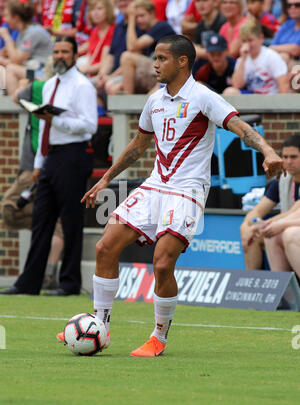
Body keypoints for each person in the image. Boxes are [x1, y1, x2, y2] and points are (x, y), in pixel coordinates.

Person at [56, 34, 284, 356]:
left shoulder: (203, 97)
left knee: (162, 264)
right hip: (154, 185)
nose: (155, 64)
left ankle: (159, 337)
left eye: (162, 58)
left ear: (182, 62)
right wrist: (105, 178)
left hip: (187, 190)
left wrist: (269, 150)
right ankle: (100, 324)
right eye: (155, 58)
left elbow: (240, 127)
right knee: (105, 246)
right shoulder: (155, 100)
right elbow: (138, 146)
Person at [0, 36, 98, 297]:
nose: (60, 56)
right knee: (41, 219)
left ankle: (69, 282)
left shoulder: (82, 86)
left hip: (74, 155)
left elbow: (90, 125)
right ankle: (28, 282)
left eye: (65, 52)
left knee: (70, 220)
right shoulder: (49, 85)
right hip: (51, 156)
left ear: (75, 55)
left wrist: (58, 121)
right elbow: (42, 125)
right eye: (56, 52)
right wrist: (38, 163)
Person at [240, 134, 300, 270]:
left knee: (280, 233)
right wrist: (245, 226)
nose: (288, 161)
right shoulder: (282, 181)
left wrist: (267, 224)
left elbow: (292, 214)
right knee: (253, 235)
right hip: (287, 226)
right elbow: (257, 211)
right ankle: (254, 284)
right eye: (285, 157)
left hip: (291, 228)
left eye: (293, 157)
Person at [117, 0, 175, 94]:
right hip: (154, 72)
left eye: (142, 16)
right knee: (115, 87)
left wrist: (131, 19)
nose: (139, 20)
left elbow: (131, 47)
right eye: (136, 17)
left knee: (127, 57)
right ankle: (127, 103)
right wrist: (111, 77)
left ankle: (127, 103)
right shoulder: (144, 30)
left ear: (152, 13)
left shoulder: (161, 26)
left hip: (167, 72)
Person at [0, 1, 53, 96]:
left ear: (16, 18)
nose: (4, 19)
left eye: (7, 15)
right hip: (33, 70)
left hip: (43, 74)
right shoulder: (23, 33)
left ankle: (14, 107)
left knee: (11, 69)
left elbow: (16, 61)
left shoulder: (34, 32)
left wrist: (6, 36)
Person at [223, 19, 289, 95]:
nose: (247, 45)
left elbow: (284, 85)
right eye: (244, 41)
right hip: (252, 98)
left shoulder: (271, 56)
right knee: (230, 92)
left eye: (250, 40)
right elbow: (237, 85)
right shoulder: (242, 59)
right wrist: (243, 59)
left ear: (261, 38)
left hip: (270, 97)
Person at [94, 0, 144, 96]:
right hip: (115, 73)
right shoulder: (118, 26)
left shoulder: (140, 24)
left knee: (110, 85)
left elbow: (135, 55)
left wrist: (110, 77)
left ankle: (126, 110)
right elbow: (111, 55)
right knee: (93, 84)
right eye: (119, 1)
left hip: (131, 74)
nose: (123, 3)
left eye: (126, 1)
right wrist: (102, 75)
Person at [77, 0, 116, 77]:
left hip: (100, 75)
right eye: (92, 10)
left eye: (99, 9)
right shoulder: (95, 30)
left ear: (107, 11)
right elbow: (90, 55)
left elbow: (104, 63)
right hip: (89, 72)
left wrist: (80, 70)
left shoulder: (112, 30)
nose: (95, 13)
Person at [193, 0, 227, 65]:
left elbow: (222, 53)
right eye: (197, 1)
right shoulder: (200, 26)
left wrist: (198, 52)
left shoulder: (223, 23)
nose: (201, 4)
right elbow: (195, 49)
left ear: (216, 2)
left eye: (205, 1)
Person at [270, 0, 300, 69]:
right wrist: (287, 51)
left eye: (297, 5)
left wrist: (281, 50)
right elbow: (272, 46)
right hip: (281, 59)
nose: (292, 8)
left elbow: (296, 50)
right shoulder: (286, 25)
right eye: (289, 5)